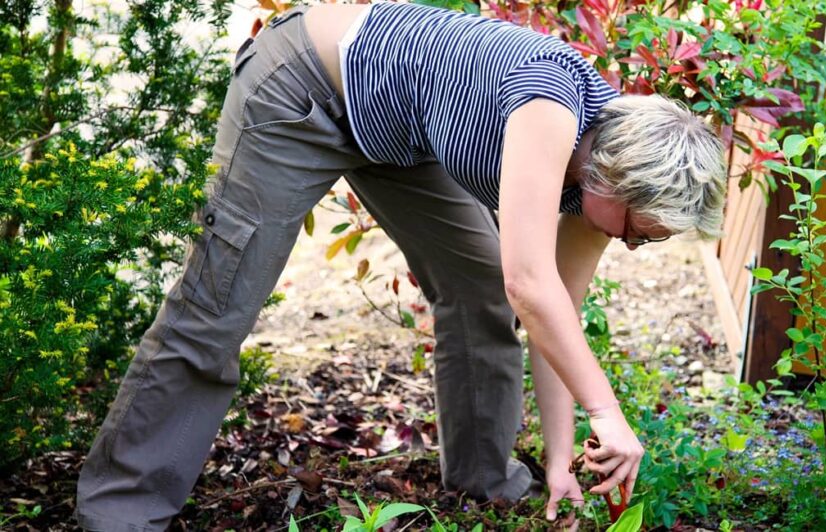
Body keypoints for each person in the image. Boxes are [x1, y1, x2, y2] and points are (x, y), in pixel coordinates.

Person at [74, 1, 726, 530]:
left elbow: (561, 316)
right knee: (215, 308)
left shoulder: (596, 188)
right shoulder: (550, 107)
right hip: (302, 89)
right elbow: (528, 282)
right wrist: (609, 416)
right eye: (644, 232)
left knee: (476, 289)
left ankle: (484, 480)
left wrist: (562, 462)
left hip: (394, 130)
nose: (639, 247)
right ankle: (119, 512)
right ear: (619, 181)